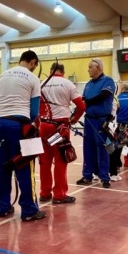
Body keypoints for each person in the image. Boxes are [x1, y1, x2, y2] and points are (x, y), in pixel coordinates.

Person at [0, 50, 46, 221]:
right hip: (19, 126)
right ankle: (29, 210)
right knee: (24, 165)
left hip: (0, 123)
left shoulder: (2, 76)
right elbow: (33, 112)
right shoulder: (32, 78)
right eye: (34, 66)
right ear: (32, 62)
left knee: (2, 166)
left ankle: (3, 207)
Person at [38, 62, 85, 203]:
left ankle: (44, 193)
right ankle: (59, 194)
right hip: (60, 128)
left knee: (44, 161)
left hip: (44, 126)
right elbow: (81, 106)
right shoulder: (67, 84)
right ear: (63, 72)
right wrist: (74, 119)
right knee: (60, 160)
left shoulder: (41, 84)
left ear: (51, 70)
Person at [76, 58, 116, 188]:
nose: (88, 70)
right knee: (88, 148)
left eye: (90, 67)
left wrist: (87, 101)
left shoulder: (107, 81)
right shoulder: (88, 84)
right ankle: (87, 175)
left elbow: (103, 95)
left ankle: (104, 176)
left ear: (98, 67)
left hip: (101, 120)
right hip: (89, 120)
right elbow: (82, 100)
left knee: (103, 148)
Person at [109, 83, 128, 180]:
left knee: (118, 145)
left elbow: (115, 111)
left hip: (119, 124)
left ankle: (117, 164)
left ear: (121, 89)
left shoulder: (117, 98)